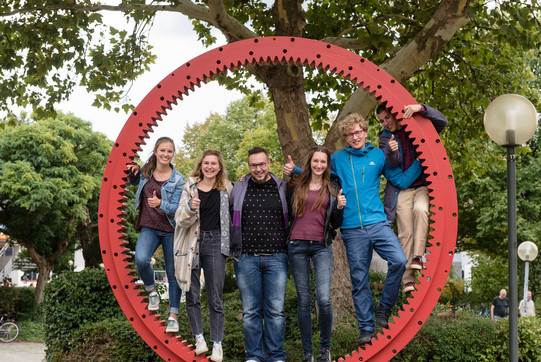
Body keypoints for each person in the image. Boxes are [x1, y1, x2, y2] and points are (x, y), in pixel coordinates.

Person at [284, 113, 422, 346]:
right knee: (359, 280)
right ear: (345, 137)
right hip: (351, 227)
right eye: (350, 134)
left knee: (399, 260)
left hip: (377, 222)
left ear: (365, 132)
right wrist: (296, 169)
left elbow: (401, 179)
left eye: (358, 132)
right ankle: (366, 328)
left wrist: (420, 161)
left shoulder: (378, 155)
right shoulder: (337, 158)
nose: (355, 137)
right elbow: (318, 172)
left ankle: (384, 308)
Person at [377, 103, 448, 293]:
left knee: (421, 210)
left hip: (423, 187)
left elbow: (441, 122)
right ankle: (408, 280)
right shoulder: (385, 138)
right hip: (402, 191)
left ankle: (418, 256)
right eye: (381, 121)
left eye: (387, 118)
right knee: (405, 231)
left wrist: (421, 108)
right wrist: (392, 150)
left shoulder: (414, 125)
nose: (385, 123)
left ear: (395, 114)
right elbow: (390, 163)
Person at [286, 146, 346, 362]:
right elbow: (286, 211)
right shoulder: (296, 183)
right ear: (309, 162)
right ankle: (308, 353)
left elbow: (336, 224)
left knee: (323, 299)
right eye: (316, 161)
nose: (319, 165)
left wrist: (339, 207)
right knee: (304, 301)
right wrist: (291, 171)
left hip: (322, 246)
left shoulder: (333, 187)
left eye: (323, 162)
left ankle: (324, 350)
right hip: (297, 245)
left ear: (327, 165)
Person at [230, 147, 289, 362]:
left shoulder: (282, 186)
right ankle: (254, 355)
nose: (258, 169)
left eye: (262, 164)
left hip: (277, 257)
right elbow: (227, 215)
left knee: (275, 311)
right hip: (246, 257)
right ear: (249, 166)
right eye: (254, 165)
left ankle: (276, 356)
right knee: (250, 312)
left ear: (269, 163)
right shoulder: (238, 186)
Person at [174, 150, 232, 362]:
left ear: (219, 167)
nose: (209, 167)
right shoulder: (190, 188)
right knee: (192, 293)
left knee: (215, 296)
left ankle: (217, 344)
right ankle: (199, 338)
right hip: (193, 241)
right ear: (201, 165)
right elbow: (179, 218)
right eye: (206, 163)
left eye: (213, 164)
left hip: (216, 241)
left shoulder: (226, 188)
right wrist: (190, 207)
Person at [127, 136, 185, 333]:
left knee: (173, 274)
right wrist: (133, 171)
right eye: (163, 150)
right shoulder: (146, 172)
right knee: (141, 259)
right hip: (149, 227)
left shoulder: (178, 179)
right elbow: (134, 182)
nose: (166, 154)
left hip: (171, 229)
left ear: (172, 154)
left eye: (169, 151)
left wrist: (161, 204)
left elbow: (178, 208)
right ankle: (152, 291)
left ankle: (173, 316)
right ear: (156, 151)